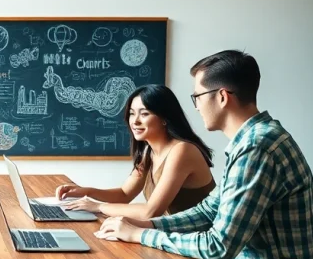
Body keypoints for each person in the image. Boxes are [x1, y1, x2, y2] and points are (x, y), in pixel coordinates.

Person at [98, 51, 313, 259]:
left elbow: (219, 247)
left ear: (221, 96)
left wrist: (140, 235)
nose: (195, 106)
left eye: (197, 97)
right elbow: (208, 211)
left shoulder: (257, 147)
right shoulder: (251, 141)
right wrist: (148, 226)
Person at [55, 85, 216, 219]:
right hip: (172, 236)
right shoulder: (149, 152)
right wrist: (86, 191)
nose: (135, 121)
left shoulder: (182, 150)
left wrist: (98, 206)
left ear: (165, 118)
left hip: (198, 242)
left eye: (144, 114)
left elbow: (151, 211)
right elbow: (124, 194)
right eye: (132, 113)